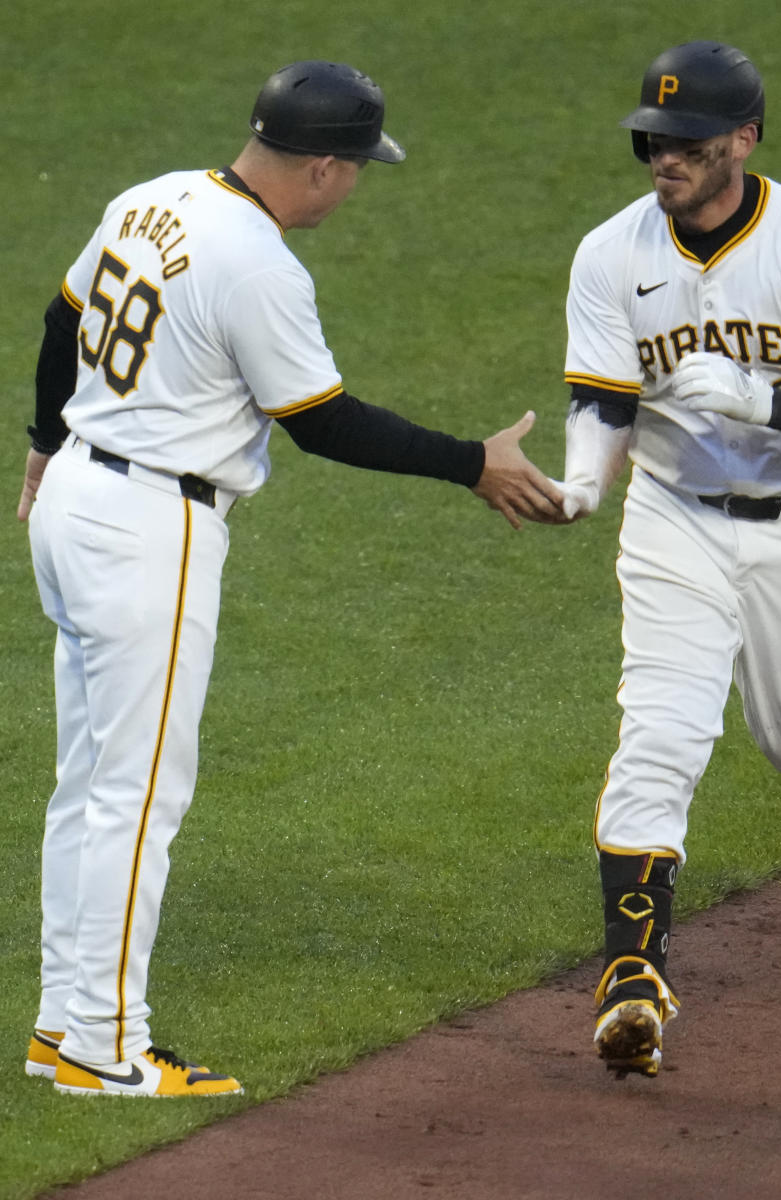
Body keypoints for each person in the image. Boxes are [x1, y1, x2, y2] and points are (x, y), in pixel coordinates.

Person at [18, 59, 565, 1098]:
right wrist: (471, 461)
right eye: (355, 168)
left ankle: (64, 1026)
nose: (356, 185)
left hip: (77, 499)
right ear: (319, 166)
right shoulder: (256, 262)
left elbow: (60, 324)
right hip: (151, 531)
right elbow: (321, 422)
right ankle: (102, 1046)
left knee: (90, 786)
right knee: (137, 798)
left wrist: (44, 443)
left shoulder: (154, 196)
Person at [549, 40, 781, 1078]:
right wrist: (585, 479)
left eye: (686, 142)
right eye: (650, 138)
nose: (662, 156)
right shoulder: (610, 253)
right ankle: (634, 977)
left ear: (744, 141)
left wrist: (770, 401)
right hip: (673, 520)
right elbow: (602, 397)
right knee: (661, 730)